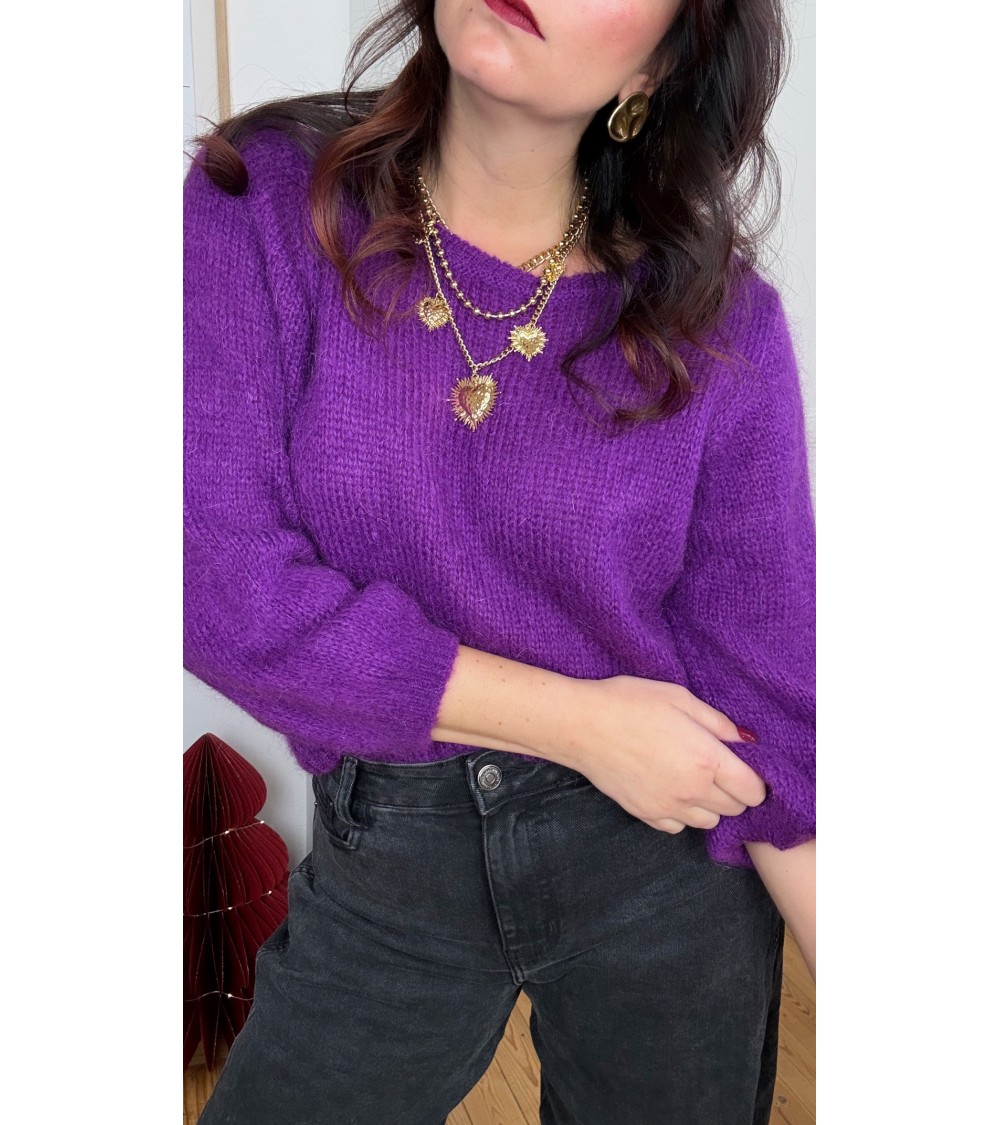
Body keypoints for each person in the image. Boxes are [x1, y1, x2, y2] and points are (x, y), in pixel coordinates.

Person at [183, 1, 815, 1121]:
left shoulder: (719, 324)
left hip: (667, 863)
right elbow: (214, 584)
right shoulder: (264, 203)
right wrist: (581, 724)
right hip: (394, 849)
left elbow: (767, 695)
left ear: (662, 65)